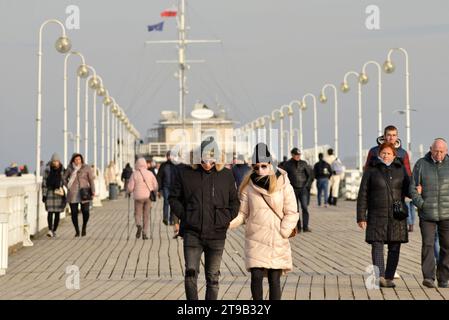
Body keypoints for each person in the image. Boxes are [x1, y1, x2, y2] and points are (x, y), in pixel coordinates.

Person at [169, 136, 240, 300]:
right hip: (192, 233)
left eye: (211, 160)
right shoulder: (186, 174)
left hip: (217, 234)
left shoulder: (226, 175)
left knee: (213, 278)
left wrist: (225, 218)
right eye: (204, 159)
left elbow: (234, 202)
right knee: (190, 273)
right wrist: (187, 216)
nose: (207, 163)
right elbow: (173, 198)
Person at [229, 143, 299, 300]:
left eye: (263, 166)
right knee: (256, 277)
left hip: (277, 238)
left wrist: (284, 231)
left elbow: (292, 212)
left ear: (270, 164)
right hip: (256, 238)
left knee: (274, 280)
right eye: (256, 167)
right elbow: (242, 213)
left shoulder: (283, 184)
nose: (260, 170)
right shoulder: (248, 186)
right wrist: (228, 223)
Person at [357, 142, 410, 288]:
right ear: (379, 154)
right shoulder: (371, 170)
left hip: (396, 215)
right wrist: (361, 216)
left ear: (394, 155)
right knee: (377, 244)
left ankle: (389, 277)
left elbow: (409, 190)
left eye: (388, 153)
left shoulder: (401, 170)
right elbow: (363, 194)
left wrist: (417, 190)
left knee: (395, 246)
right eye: (383, 153)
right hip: (376, 213)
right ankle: (380, 276)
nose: (385, 156)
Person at [410, 138, 449, 288]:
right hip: (427, 214)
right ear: (430, 149)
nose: (439, 154)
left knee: (447, 246)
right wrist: (421, 204)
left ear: (446, 151)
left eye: (442, 151)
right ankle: (429, 277)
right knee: (428, 245)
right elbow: (412, 188)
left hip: (447, 214)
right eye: (436, 151)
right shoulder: (421, 164)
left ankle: (444, 277)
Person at [364, 125, 415, 231]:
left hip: (397, 190)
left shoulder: (402, 153)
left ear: (397, 137)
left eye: (394, 135)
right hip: (378, 191)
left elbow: (408, 172)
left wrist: (410, 187)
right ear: (384, 136)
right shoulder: (374, 151)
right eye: (389, 135)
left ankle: (409, 224)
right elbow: (367, 169)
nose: (391, 138)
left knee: (400, 213)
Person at [279, 148, 313, 232]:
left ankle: (305, 227)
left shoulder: (304, 163)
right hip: (292, 190)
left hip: (303, 189)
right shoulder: (287, 164)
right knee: (295, 209)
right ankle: (297, 227)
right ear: (292, 155)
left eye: (299, 155)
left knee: (304, 207)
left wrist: (307, 186)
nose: (298, 156)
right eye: (296, 155)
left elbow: (310, 175)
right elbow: (283, 176)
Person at [64, 153, 95, 237]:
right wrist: (68, 186)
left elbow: (91, 180)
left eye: (79, 159)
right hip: (73, 193)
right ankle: (77, 230)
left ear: (81, 160)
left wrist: (93, 191)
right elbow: (64, 178)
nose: (78, 161)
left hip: (84, 192)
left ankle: (84, 226)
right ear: (73, 160)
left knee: (86, 211)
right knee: (74, 212)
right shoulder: (70, 168)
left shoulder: (86, 168)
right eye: (76, 159)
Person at [127, 158, 158, 240]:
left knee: (137, 214)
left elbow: (130, 188)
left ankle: (138, 225)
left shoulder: (134, 174)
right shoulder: (150, 173)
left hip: (138, 197)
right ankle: (144, 233)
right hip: (148, 197)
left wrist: (129, 192)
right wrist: (155, 191)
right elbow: (155, 185)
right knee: (146, 215)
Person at [41, 153, 66, 238]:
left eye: (57, 161)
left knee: (57, 213)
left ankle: (54, 230)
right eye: (54, 161)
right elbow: (44, 183)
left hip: (58, 193)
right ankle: (50, 229)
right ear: (52, 161)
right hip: (50, 193)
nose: (56, 163)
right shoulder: (47, 170)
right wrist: (44, 195)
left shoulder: (62, 170)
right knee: (50, 212)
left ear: (59, 162)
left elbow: (65, 181)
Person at [157, 151, 176, 225]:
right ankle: (165, 218)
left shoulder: (176, 165)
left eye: (171, 156)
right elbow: (159, 177)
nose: (169, 157)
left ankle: (172, 219)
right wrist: (159, 189)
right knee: (166, 202)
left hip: (174, 187)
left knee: (173, 203)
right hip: (166, 187)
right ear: (167, 157)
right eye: (168, 156)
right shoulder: (163, 165)